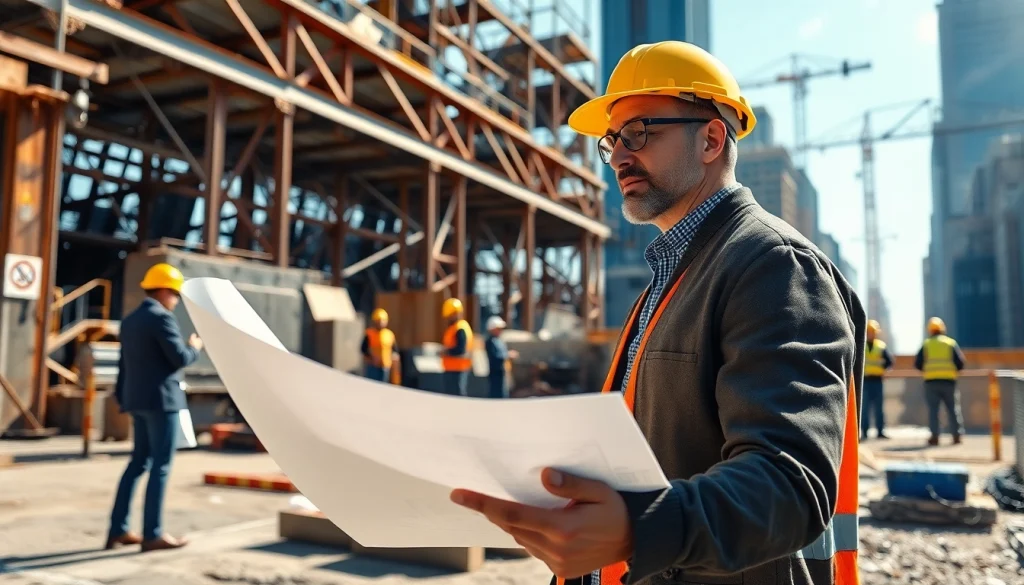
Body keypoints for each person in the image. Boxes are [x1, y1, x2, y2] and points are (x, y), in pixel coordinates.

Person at [449, 41, 865, 585]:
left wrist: (636, 528)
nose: (619, 156)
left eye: (640, 134)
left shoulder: (773, 267)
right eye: (613, 141)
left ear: (712, 138)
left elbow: (788, 485)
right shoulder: (676, 276)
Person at [107, 263, 203, 552]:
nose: (175, 300)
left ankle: (118, 529)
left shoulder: (130, 320)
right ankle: (152, 534)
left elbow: (123, 365)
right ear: (163, 290)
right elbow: (179, 358)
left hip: (137, 400)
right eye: (174, 293)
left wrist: (124, 398)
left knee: (138, 463)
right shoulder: (162, 318)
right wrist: (195, 346)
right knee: (160, 466)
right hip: (162, 402)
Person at [915, 316, 966, 446]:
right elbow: (960, 363)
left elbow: (918, 363)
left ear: (930, 330)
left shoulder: (926, 344)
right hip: (949, 381)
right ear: (942, 329)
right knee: (953, 409)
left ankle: (935, 437)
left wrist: (929, 370)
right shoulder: (950, 343)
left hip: (931, 382)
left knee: (933, 410)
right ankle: (956, 436)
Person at [862, 319, 894, 440]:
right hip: (865, 381)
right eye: (869, 332)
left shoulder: (881, 346)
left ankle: (880, 431)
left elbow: (890, 362)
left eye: (873, 332)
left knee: (878, 408)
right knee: (864, 408)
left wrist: (884, 370)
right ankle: (864, 432)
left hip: (877, 380)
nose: (871, 334)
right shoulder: (861, 345)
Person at [440, 298, 473, 396]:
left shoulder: (459, 328)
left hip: (457, 368)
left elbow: (460, 349)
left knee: (456, 395)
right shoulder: (457, 327)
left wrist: (445, 352)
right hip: (454, 367)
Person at [483, 316, 518, 398]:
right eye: (498, 328)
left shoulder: (499, 340)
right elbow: (495, 356)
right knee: (496, 394)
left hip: (502, 371)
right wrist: (508, 355)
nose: (500, 331)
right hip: (495, 372)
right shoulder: (490, 342)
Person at [362, 308, 396, 383]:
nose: (380, 323)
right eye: (378, 321)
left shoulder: (389, 334)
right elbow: (363, 349)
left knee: (383, 385)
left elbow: (394, 350)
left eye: (382, 321)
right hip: (373, 365)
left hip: (385, 365)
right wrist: (371, 358)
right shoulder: (369, 334)